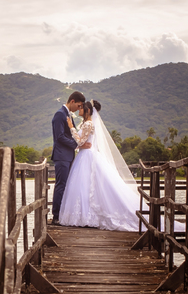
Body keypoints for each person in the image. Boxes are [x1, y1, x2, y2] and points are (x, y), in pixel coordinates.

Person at [58, 99, 143, 232]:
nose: (79, 109)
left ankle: (86, 216)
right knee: (83, 186)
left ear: (87, 111)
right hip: (84, 155)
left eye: (81, 108)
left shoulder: (88, 124)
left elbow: (80, 142)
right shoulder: (85, 123)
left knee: (85, 185)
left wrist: (71, 127)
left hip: (87, 156)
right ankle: (83, 215)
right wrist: (79, 143)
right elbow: (82, 143)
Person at [50, 91, 86, 224]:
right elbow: (59, 137)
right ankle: (56, 216)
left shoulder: (67, 115)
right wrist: (76, 144)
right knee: (61, 185)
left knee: (66, 185)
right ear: (72, 101)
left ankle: (63, 215)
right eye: (78, 105)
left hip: (68, 156)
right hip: (61, 156)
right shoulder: (60, 114)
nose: (79, 108)